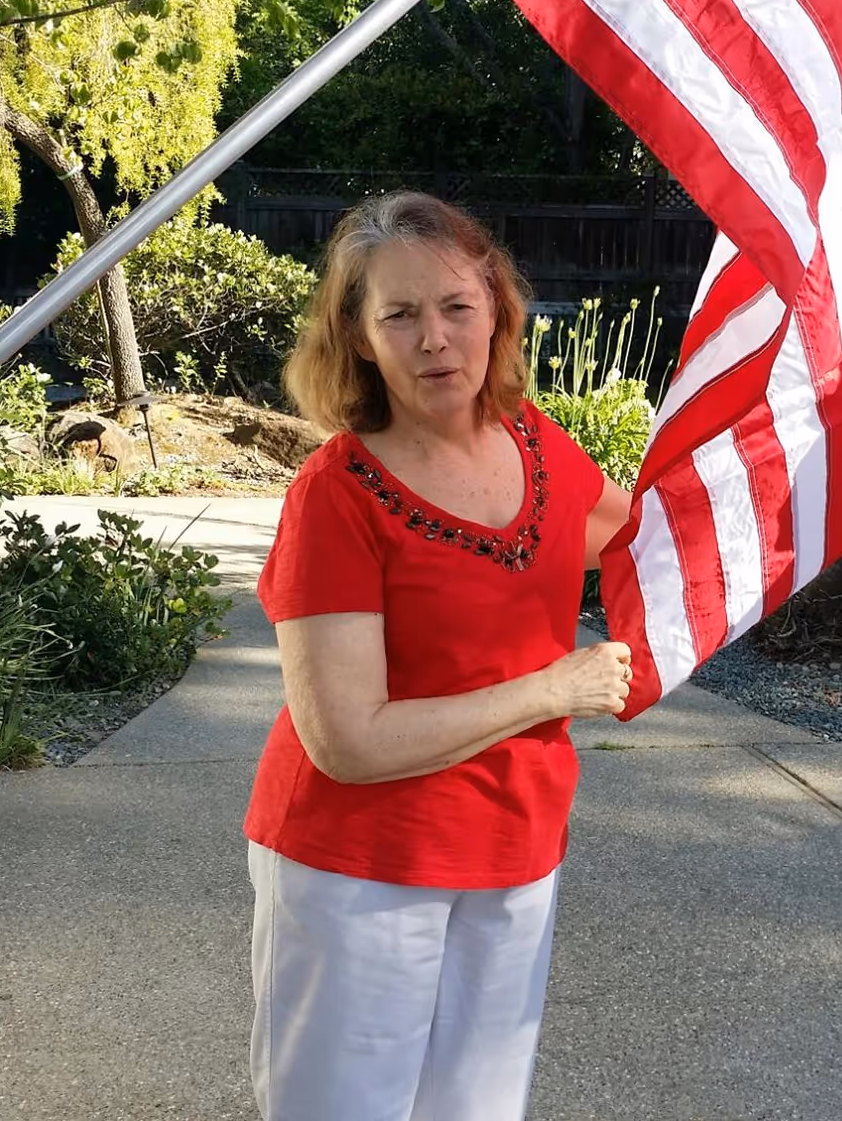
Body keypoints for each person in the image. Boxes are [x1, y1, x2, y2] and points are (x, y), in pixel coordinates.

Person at [244, 191, 634, 1121]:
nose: (435, 340)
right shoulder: (336, 496)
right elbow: (349, 741)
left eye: (457, 307)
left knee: (476, 1109)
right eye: (400, 314)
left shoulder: (540, 447)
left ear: (497, 309)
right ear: (357, 334)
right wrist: (554, 687)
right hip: (360, 864)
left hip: (516, 845)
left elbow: (648, 543)